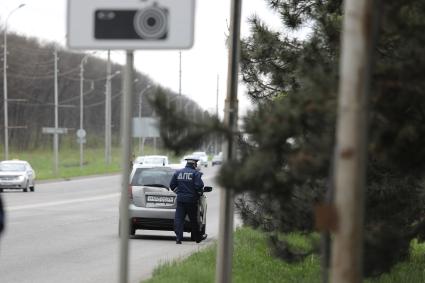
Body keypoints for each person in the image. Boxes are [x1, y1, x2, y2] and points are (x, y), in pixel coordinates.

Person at [170, 156, 207, 244]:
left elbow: (172, 185)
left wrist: (179, 192)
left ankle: (178, 238)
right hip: (191, 201)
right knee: (194, 220)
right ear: (194, 164)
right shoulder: (196, 173)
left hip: (181, 200)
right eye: (196, 164)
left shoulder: (178, 172)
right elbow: (199, 186)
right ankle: (198, 238)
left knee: (179, 219)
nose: (196, 165)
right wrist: (198, 192)